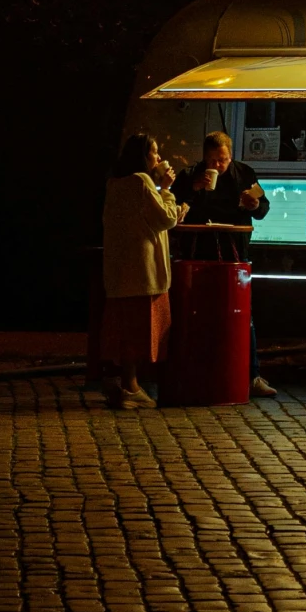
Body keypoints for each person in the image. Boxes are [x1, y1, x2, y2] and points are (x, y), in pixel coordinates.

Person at [175, 128, 276, 396]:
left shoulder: (244, 174)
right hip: (197, 252)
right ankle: (195, 371)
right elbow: (171, 206)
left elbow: (264, 208)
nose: (218, 165)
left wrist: (254, 206)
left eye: (223, 160)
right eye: (213, 161)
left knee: (241, 313)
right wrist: (192, 189)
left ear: (230, 156)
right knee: (196, 312)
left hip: (234, 253)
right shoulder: (190, 175)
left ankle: (250, 374)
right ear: (204, 158)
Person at [101, 131, 179, 409]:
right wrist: (167, 190)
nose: (159, 158)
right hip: (143, 271)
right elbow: (165, 219)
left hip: (119, 270)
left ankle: (124, 383)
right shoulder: (143, 181)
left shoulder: (115, 183)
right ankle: (131, 388)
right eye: (155, 153)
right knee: (139, 332)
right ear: (144, 158)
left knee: (124, 330)